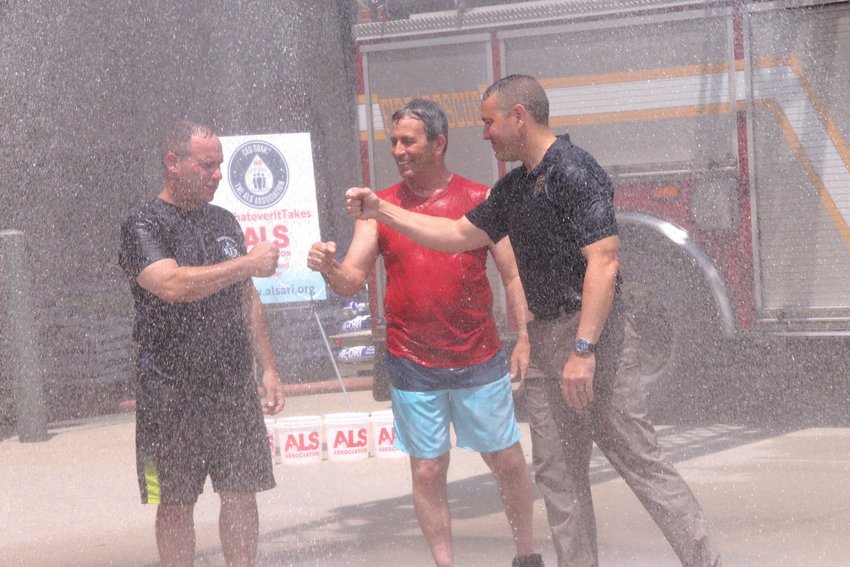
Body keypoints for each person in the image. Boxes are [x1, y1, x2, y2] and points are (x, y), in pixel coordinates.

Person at [345, 76, 721, 567]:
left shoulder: (575, 171)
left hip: (593, 339)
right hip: (545, 338)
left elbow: (604, 262)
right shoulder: (515, 188)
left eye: (489, 122)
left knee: (638, 461)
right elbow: (456, 234)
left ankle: (705, 559)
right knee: (558, 477)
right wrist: (383, 213)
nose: (484, 134)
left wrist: (584, 350)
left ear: (518, 116)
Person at [308, 99, 543, 567]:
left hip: (478, 354)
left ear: (439, 144)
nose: (398, 150)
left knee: (509, 462)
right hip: (411, 360)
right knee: (429, 469)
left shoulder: (480, 198)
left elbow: (513, 274)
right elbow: (352, 280)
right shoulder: (377, 208)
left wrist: (525, 336)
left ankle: (526, 554)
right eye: (393, 141)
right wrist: (328, 267)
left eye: (408, 141)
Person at [119, 120, 286, 567]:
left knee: (240, 492)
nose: (217, 175)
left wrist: (267, 367)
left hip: (231, 385)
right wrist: (247, 263)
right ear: (173, 163)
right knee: (175, 502)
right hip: (169, 390)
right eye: (207, 165)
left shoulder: (224, 220)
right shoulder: (142, 224)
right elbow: (171, 284)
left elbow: (246, 295)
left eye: (220, 165)